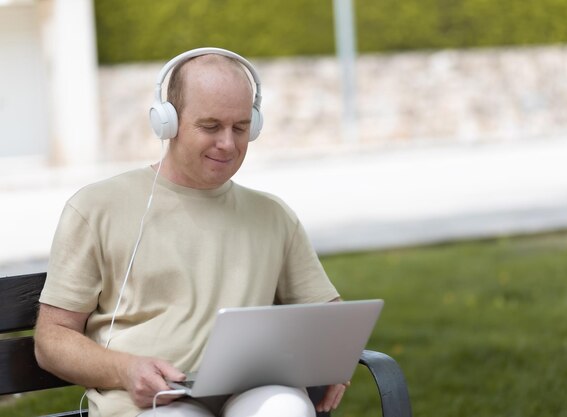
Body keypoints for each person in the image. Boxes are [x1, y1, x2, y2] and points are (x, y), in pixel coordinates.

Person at [34, 48, 348, 417]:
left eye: (241, 127)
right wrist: (125, 368)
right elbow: (51, 339)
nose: (228, 144)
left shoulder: (273, 215)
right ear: (167, 122)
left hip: (251, 394)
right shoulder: (96, 208)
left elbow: (329, 316)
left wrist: (334, 355)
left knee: (286, 408)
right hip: (151, 404)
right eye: (211, 126)